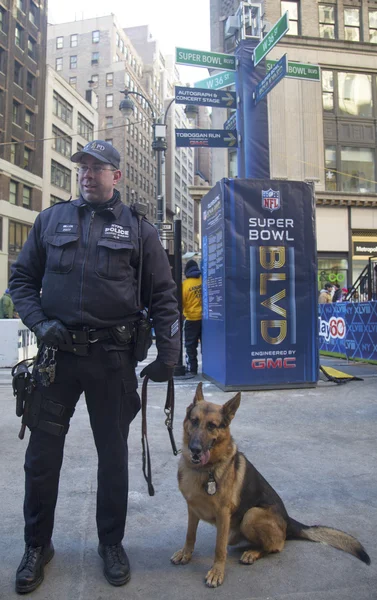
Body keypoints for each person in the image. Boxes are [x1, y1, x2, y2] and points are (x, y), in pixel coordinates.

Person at [9, 140, 180, 594]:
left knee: (113, 457)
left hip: (112, 360)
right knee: (42, 458)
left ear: (116, 176)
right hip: (56, 359)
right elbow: (22, 281)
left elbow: (163, 296)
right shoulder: (50, 220)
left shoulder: (139, 230)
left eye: (97, 167)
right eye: (82, 166)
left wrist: (169, 354)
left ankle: (111, 543)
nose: (87, 173)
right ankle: (36, 545)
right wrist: (40, 322)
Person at [182, 259, 202, 375]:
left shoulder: (185, 285)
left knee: (190, 346)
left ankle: (193, 369)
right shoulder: (203, 281)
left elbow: (181, 303)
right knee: (207, 345)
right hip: (206, 319)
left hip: (191, 319)